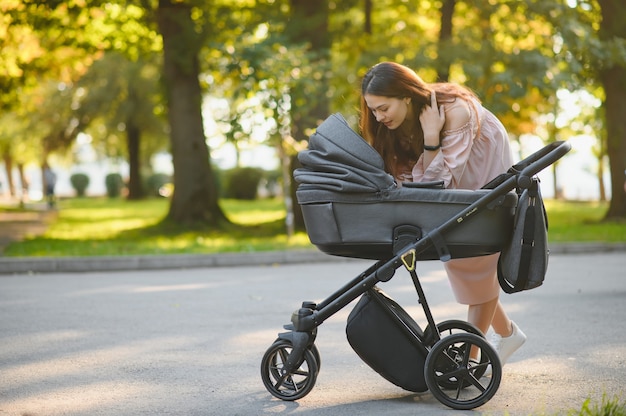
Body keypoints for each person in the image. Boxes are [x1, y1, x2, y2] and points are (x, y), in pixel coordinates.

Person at [359, 61, 526, 365]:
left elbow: (439, 185)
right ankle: (508, 333)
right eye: (373, 111)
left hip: (484, 174)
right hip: (456, 183)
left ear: (406, 96)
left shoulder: (455, 112)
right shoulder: (398, 127)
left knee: (475, 257)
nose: (378, 117)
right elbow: (423, 189)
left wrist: (432, 138)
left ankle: (470, 360)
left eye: (383, 108)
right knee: (464, 258)